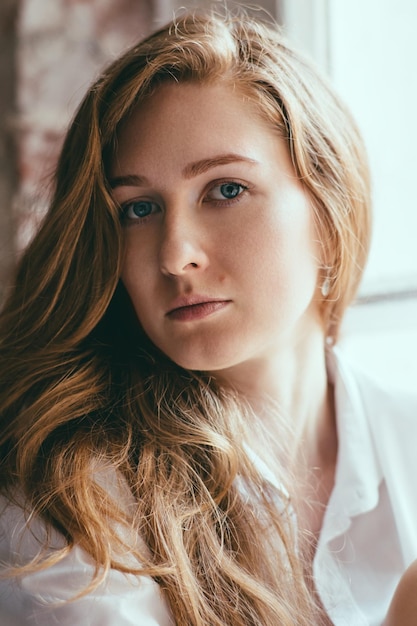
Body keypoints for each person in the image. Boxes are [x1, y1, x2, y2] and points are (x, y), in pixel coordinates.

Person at [0, 9, 416, 626]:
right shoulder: (72, 494)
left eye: (225, 190)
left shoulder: (404, 439)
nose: (174, 255)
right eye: (138, 209)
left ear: (330, 213)